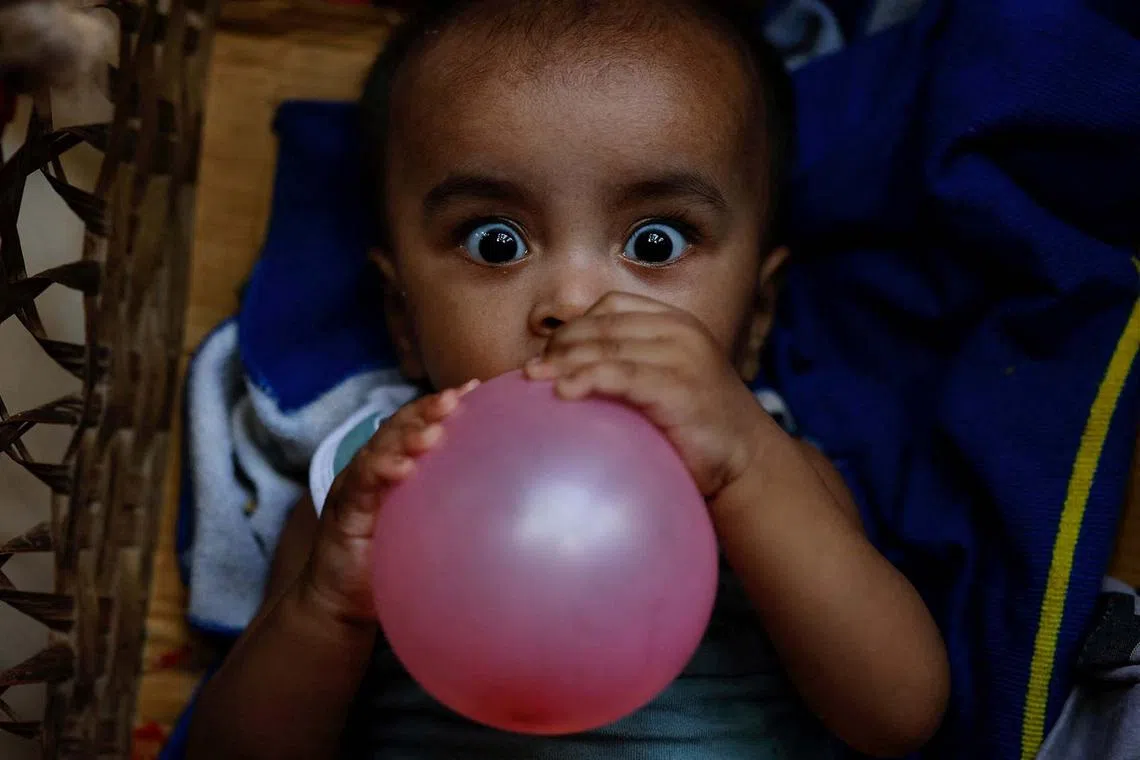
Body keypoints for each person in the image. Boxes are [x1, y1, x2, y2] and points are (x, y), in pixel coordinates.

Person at [186, 1, 949, 757]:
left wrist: (746, 465)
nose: (573, 302)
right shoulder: (368, 484)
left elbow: (897, 715)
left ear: (755, 319)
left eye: (655, 241)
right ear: (403, 317)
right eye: (495, 241)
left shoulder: (774, 473)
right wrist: (329, 609)